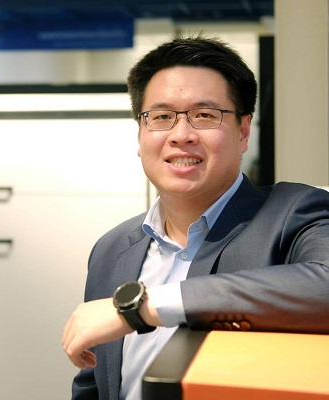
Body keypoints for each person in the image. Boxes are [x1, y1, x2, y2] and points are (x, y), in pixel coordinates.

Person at [61, 34, 329, 400]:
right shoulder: (111, 250)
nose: (181, 135)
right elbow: (94, 384)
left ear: (243, 131)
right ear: (140, 134)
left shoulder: (294, 213)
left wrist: (142, 308)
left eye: (204, 115)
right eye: (161, 117)